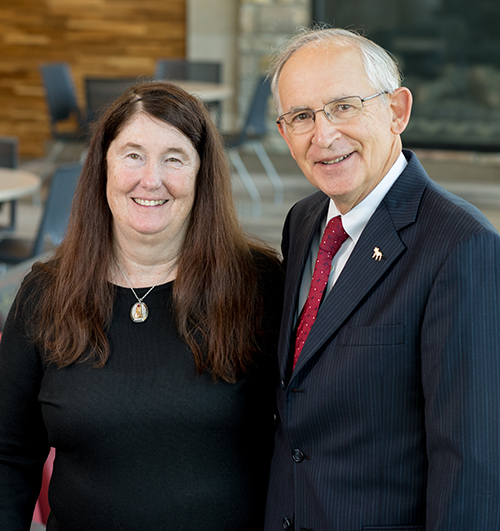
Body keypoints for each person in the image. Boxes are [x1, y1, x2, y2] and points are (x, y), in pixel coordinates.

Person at [0, 81, 283, 531]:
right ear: (103, 168)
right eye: (133, 155)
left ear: (200, 174)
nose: (150, 179)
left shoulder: (262, 286)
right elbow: (7, 453)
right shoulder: (46, 295)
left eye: (174, 158)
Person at [264, 26, 500, 531]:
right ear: (284, 134)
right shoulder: (303, 222)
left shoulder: (461, 246)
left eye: (344, 106)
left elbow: (471, 464)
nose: (323, 135)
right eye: (301, 116)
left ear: (397, 111)